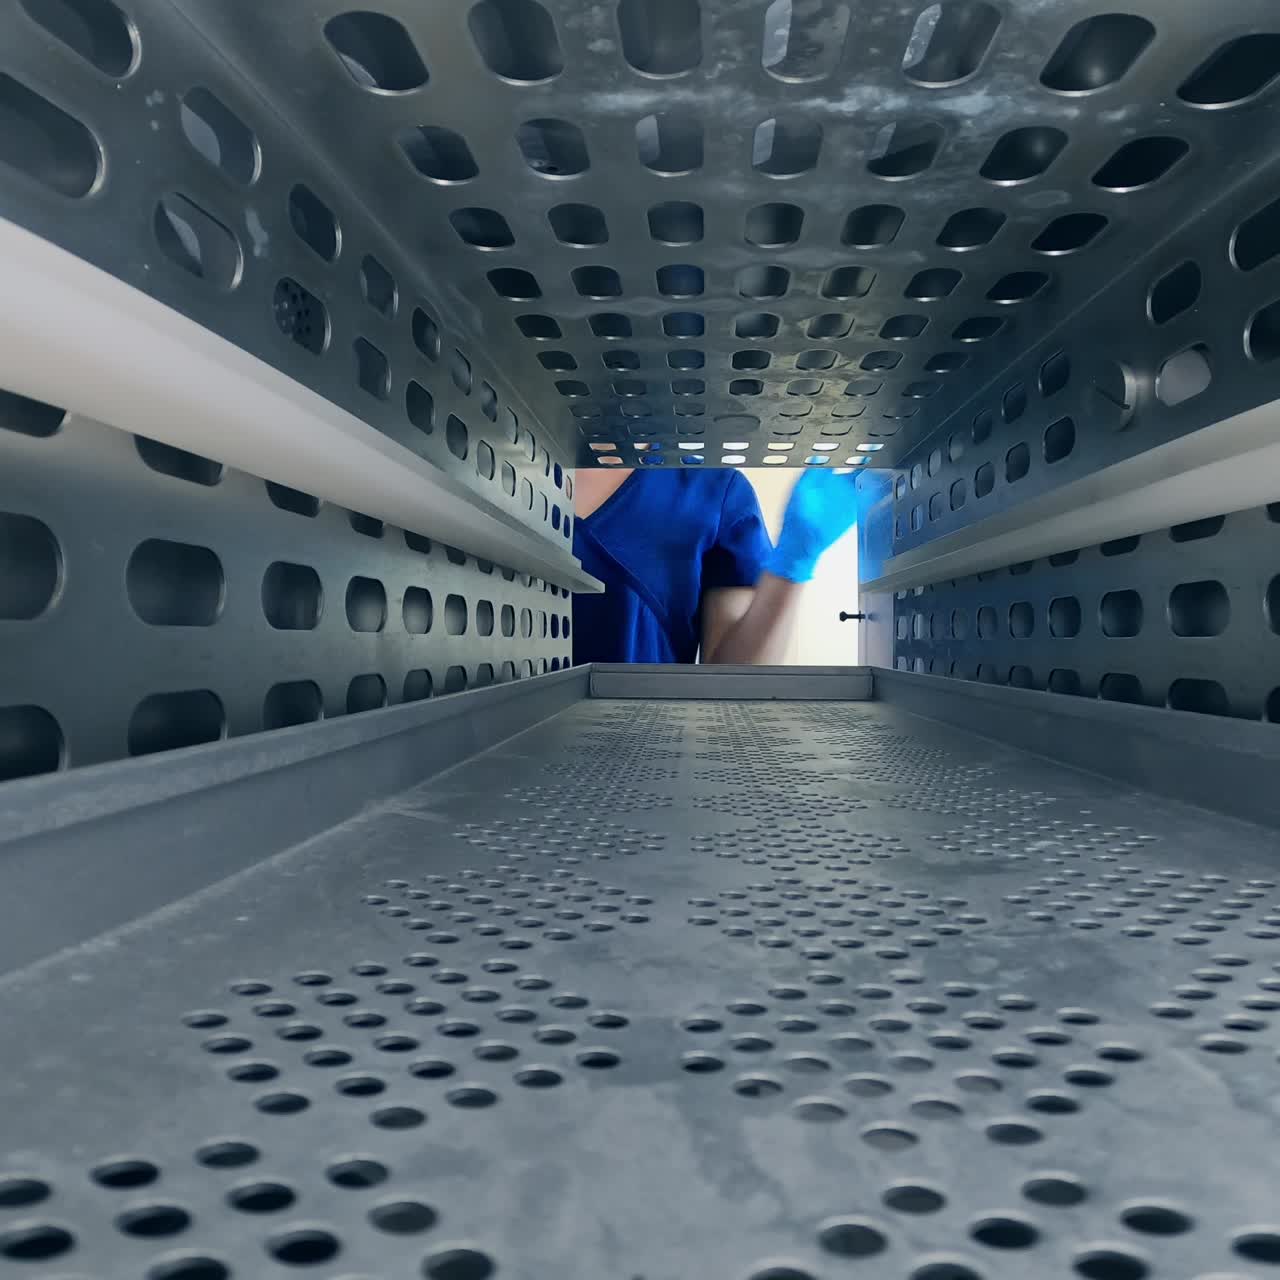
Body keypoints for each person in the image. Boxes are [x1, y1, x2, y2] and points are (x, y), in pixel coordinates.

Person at [572, 465, 860, 665]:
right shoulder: (528, 465)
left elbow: (731, 676)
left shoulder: (712, 489)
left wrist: (793, 563)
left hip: (647, 745)